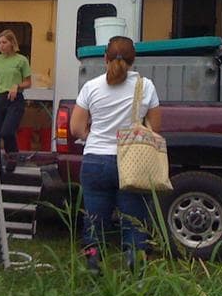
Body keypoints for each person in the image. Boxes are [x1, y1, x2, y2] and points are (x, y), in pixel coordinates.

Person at [69, 36, 161, 274]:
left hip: (95, 161)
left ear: (105, 58)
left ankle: (93, 266)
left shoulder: (91, 87)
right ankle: (135, 271)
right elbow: (154, 129)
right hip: (132, 161)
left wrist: (92, 136)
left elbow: (76, 128)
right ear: (133, 60)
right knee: (134, 220)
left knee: (94, 219)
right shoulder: (146, 86)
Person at [0, 29, 32, 173]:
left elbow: (28, 82)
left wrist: (17, 86)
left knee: (7, 132)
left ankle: (12, 157)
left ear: (12, 43)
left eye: (4, 42)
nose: (1, 45)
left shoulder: (21, 60)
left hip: (14, 98)